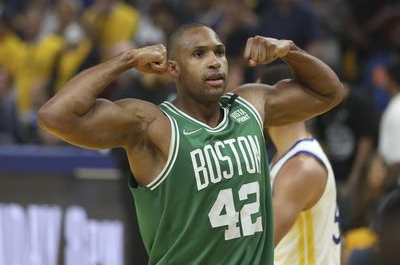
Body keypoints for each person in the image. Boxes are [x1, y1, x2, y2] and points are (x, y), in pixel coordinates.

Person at [38, 23, 344, 264]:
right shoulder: (153, 125)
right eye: (199, 54)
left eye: (220, 52)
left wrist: (289, 51)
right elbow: (55, 115)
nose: (215, 63)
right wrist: (127, 59)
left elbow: (330, 93)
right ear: (173, 69)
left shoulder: (251, 104)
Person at [259, 65, 341, 264]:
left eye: (257, 96)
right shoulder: (283, 158)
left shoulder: (301, 168)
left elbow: (256, 249)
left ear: (278, 102)